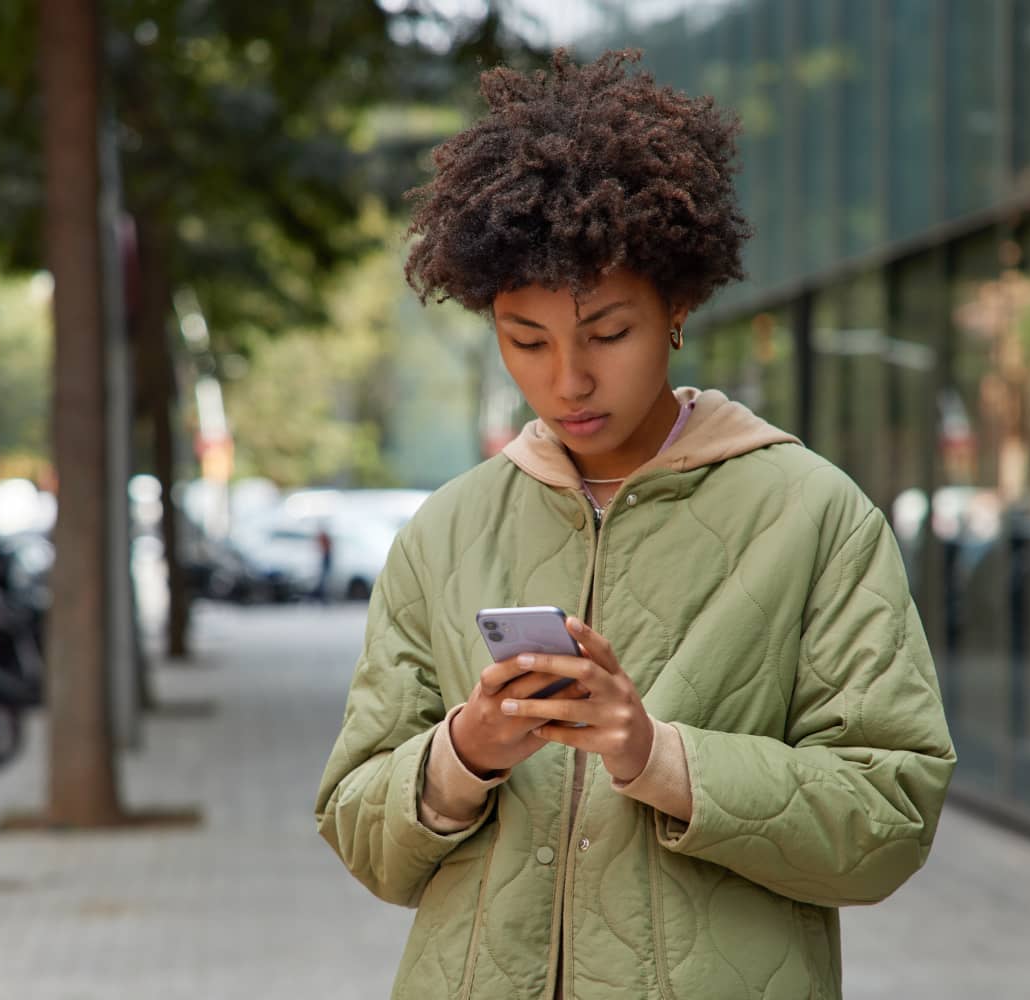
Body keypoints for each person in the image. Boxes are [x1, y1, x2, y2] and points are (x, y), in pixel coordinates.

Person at [316, 49, 955, 999]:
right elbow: (360, 830)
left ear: (680, 307)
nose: (567, 379)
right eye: (525, 341)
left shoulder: (814, 517)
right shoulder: (445, 531)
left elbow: (890, 818)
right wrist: (464, 752)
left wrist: (656, 757)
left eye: (607, 333)